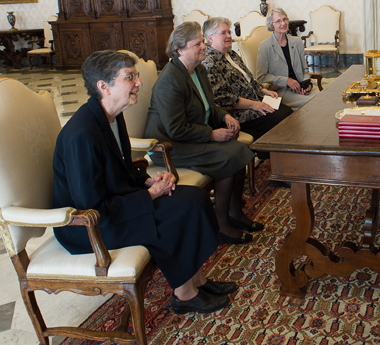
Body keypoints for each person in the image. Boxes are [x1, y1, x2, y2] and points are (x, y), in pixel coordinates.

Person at [53, 50, 235, 315]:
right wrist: (149, 196)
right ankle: (185, 295)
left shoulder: (111, 117)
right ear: (103, 86)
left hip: (114, 204)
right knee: (177, 212)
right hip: (88, 226)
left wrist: (150, 180)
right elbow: (93, 206)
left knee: (193, 197)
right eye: (129, 77)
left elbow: (122, 171)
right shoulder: (82, 134)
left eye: (136, 75)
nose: (139, 83)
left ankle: (199, 280)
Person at [144, 22, 261, 245]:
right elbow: (176, 129)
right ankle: (221, 225)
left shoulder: (197, 69)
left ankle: (235, 213)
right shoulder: (170, 81)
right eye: (197, 43)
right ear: (180, 50)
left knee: (237, 150)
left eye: (202, 41)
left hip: (191, 136)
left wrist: (224, 116)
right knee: (227, 157)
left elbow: (210, 104)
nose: (203, 46)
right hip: (170, 146)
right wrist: (212, 135)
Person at [202, 17, 293, 141]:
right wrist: (255, 105)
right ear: (210, 38)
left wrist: (263, 90)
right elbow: (222, 98)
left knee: (289, 113)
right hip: (241, 113)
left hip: (256, 101)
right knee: (283, 118)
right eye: (223, 33)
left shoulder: (232, 55)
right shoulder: (210, 63)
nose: (229, 36)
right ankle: (271, 154)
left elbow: (249, 79)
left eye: (229, 32)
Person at [256, 7, 319, 109]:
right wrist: (286, 81)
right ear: (271, 25)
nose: (283, 23)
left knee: (324, 100)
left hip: (301, 88)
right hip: (282, 91)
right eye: (278, 21)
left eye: (284, 19)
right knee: (315, 104)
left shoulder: (297, 42)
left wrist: (306, 85)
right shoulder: (265, 46)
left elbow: (305, 69)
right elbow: (261, 77)